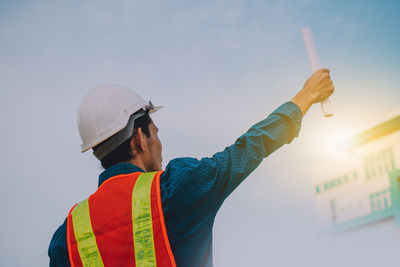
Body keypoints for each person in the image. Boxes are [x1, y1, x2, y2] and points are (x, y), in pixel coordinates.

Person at [48, 69, 334, 267]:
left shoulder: (67, 235)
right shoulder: (174, 189)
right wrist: (305, 96)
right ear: (139, 138)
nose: (160, 144)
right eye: (155, 132)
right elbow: (248, 148)